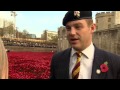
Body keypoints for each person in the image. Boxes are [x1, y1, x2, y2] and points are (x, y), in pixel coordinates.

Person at [50, 11, 120, 79]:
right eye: (68, 28)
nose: (72, 33)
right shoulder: (57, 59)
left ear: (92, 28)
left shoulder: (115, 62)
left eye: (78, 27)